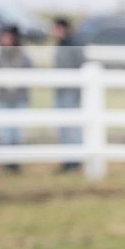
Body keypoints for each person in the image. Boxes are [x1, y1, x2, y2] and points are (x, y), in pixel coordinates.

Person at [0, 25, 32, 172]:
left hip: (19, 97)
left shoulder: (22, 56)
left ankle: (15, 161)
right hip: (4, 97)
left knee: (16, 131)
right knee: (6, 132)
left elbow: (28, 73)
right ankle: (7, 161)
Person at [52, 17, 85, 172]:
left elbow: (80, 66)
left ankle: (74, 160)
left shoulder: (72, 45)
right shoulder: (61, 45)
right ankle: (68, 159)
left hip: (71, 91)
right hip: (62, 90)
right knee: (64, 126)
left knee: (72, 127)